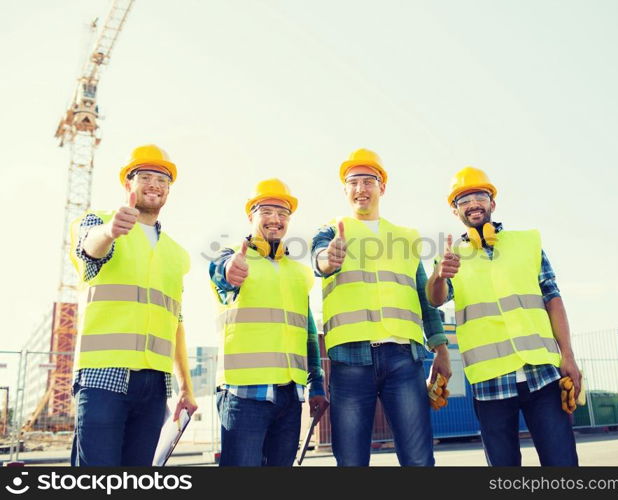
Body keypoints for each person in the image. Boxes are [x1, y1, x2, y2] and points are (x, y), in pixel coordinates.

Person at [426, 166, 580, 466]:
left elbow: (553, 298)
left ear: (492, 203)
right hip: (489, 378)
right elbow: (436, 299)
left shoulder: (528, 243)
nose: (472, 204)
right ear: (455, 210)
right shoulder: (449, 255)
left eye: (479, 196)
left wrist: (568, 355)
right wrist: (439, 274)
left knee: (562, 461)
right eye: (463, 199)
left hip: (542, 372)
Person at [312, 148, 451, 466]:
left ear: (382, 187)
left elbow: (425, 299)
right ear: (345, 190)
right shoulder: (332, 231)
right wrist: (327, 258)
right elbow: (319, 261)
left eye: (369, 181)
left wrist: (441, 349)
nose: (361, 188)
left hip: (403, 358)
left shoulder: (406, 238)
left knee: (418, 459)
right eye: (353, 182)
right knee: (351, 462)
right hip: (350, 361)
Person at [69, 144, 197, 466]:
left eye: (163, 179)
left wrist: (186, 387)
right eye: (146, 176)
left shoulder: (176, 254)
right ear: (128, 184)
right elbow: (90, 249)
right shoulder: (98, 221)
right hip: (104, 376)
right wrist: (110, 232)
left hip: (154, 383)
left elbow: (176, 322)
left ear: (169, 190)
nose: (155, 184)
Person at [209, 178, 328, 466]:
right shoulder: (232, 257)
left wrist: (317, 384)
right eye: (266, 211)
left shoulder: (298, 273)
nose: (275, 219)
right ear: (251, 216)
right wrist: (229, 270)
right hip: (243, 393)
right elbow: (221, 273)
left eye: (283, 213)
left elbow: (308, 332)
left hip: (289, 394)